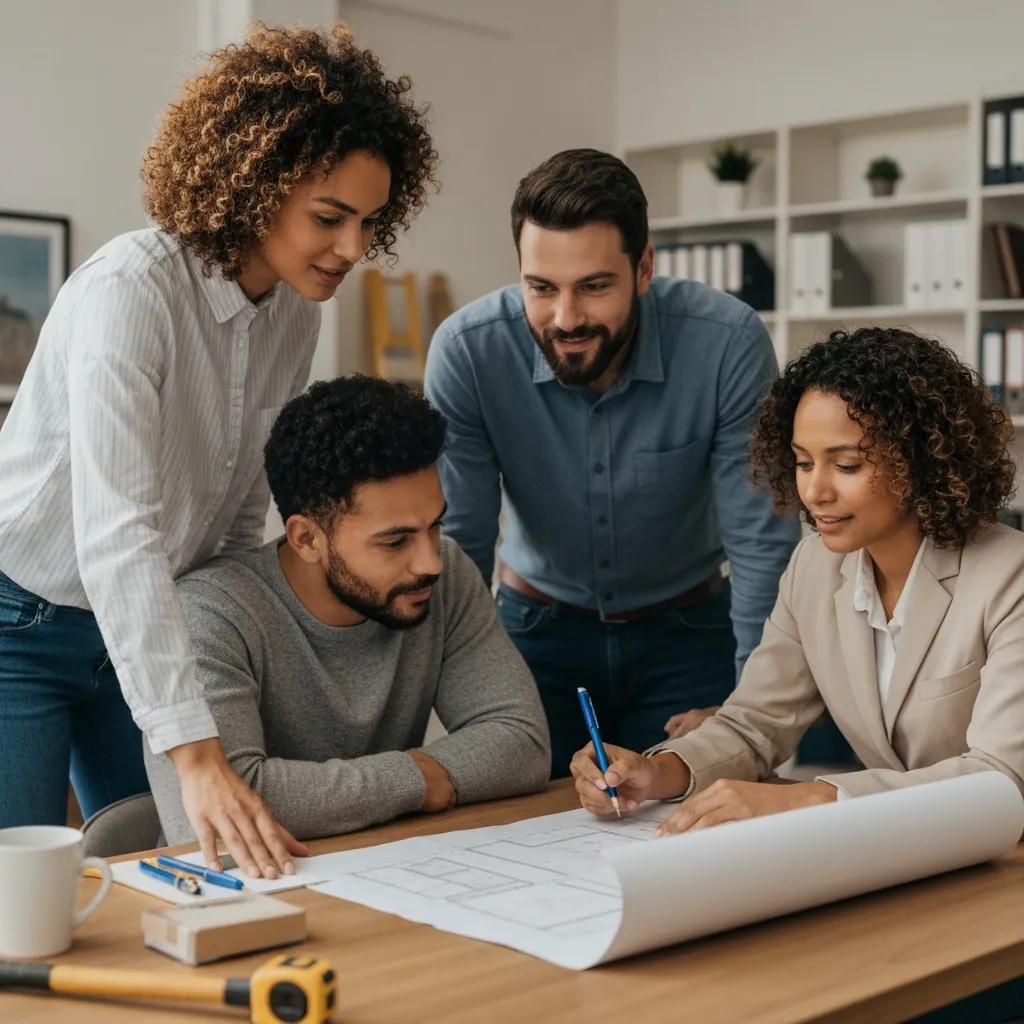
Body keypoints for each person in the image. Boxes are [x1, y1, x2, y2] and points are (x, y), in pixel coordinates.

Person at [0, 22, 437, 879]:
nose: (353, 249)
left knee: (171, 873)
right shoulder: (132, 292)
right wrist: (198, 757)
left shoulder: (295, 317)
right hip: (23, 625)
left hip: (153, 622)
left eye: (368, 222)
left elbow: (239, 520)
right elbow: (117, 531)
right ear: (254, 183)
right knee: (22, 901)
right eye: (329, 217)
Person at [424, 148, 798, 778]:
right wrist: (479, 703)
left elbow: (762, 543)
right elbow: (457, 546)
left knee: (706, 830)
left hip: (691, 634)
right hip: (532, 636)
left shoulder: (726, 342)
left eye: (594, 286)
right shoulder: (467, 353)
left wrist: (746, 713)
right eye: (541, 288)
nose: (567, 318)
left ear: (644, 267)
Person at [569, 326, 1024, 832]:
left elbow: (1002, 777)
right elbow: (754, 724)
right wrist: (655, 773)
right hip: (906, 850)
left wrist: (809, 798)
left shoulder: (1010, 578)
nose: (814, 491)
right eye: (803, 462)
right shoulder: (815, 567)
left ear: (923, 463)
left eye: (846, 465)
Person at [144, 376, 550, 842]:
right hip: (237, 893)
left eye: (435, 527)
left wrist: (368, 790)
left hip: (381, 868)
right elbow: (223, 806)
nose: (431, 561)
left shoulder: (446, 575)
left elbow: (523, 742)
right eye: (395, 541)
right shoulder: (209, 614)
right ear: (307, 539)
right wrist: (423, 778)